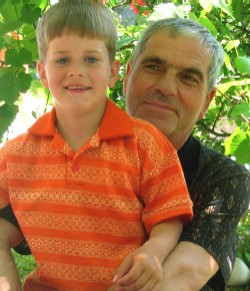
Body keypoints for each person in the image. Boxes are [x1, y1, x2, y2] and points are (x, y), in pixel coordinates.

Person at [0, 1, 193, 290]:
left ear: (113, 71)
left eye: (90, 59)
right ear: (42, 72)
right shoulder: (15, 154)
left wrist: (154, 252)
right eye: (62, 60)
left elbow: (169, 214)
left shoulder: (146, 144)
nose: (76, 71)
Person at [120, 17, 250, 290]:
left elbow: (178, 278)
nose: (166, 88)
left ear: (206, 101)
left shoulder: (222, 178)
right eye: (154, 67)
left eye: (188, 78)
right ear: (127, 77)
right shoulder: (74, 149)